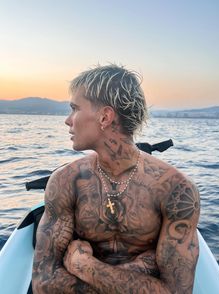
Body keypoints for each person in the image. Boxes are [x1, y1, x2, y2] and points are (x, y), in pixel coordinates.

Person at [32, 64, 200, 294]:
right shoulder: (65, 182)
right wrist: (140, 274)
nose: (68, 120)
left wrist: (86, 267)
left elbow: (177, 291)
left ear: (105, 116)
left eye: (74, 108)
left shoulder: (175, 190)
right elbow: (44, 281)